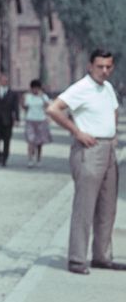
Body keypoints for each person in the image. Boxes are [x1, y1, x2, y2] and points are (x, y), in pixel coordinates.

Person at [45, 49, 126, 275]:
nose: (104, 71)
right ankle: (77, 259)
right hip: (89, 150)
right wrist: (77, 132)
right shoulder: (81, 88)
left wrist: (113, 134)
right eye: (100, 66)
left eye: (108, 66)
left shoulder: (108, 88)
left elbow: (114, 110)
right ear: (90, 66)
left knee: (107, 207)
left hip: (108, 149)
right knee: (85, 206)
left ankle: (102, 256)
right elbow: (53, 109)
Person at [22, 78, 52, 167]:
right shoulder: (28, 97)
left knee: (39, 142)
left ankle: (38, 158)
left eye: (37, 88)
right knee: (30, 141)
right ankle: (30, 159)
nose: (35, 90)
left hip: (41, 120)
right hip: (30, 120)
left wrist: (42, 97)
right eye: (33, 88)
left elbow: (48, 107)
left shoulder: (44, 96)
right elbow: (25, 107)